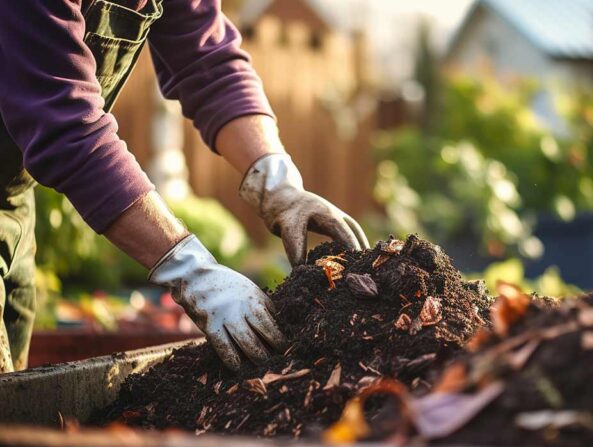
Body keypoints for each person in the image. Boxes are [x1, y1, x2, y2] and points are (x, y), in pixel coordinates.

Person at [0, 0, 369, 373]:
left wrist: (279, 186)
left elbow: (207, 61)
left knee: (14, 396)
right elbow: (65, 124)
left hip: (12, 201)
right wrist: (191, 270)